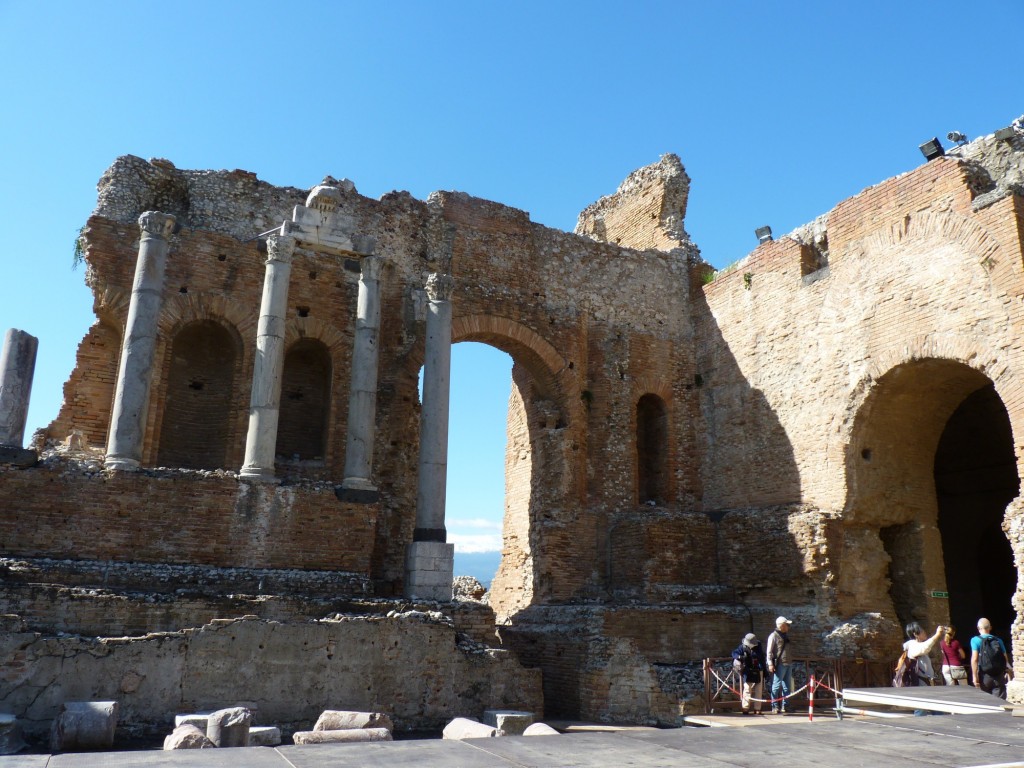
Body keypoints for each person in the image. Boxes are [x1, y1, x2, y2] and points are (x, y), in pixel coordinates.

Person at [904, 622, 945, 716]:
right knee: (921, 708)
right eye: (922, 631)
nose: (924, 632)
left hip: (927, 682)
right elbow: (925, 647)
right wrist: (937, 634)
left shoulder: (917, 644)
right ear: (915, 634)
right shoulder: (912, 645)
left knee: (936, 706)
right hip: (921, 683)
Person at [971, 618, 1013, 699]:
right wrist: (1007, 670)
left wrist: (974, 676)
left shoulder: (975, 640)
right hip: (999, 675)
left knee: (987, 702)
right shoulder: (998, 640)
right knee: (1000, 702)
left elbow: (974, 659)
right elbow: (1005, 658)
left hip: (984, 675)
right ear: (990, 627)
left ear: (978, 628)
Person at [731, 632, 767, 715]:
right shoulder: (743, 647)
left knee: (759, 690)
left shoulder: (758, 646)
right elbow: (734, 653)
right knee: (747, 689)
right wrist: (740, 657)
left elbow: (761, 657)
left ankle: (757, 708)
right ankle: (745, 707)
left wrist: (764, 670)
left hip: (758, 669)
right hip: (748, 670)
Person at [765, 616, 794, 714]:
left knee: (787, 687)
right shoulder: (773, 636)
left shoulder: (785, 636)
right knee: (776, 686)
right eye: (787, 625)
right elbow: (769, 651)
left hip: (788, 663)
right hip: (780, 664)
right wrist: (770, 664)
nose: (788, 627)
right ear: (782, 625)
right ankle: (774, 705)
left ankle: (785, 705)